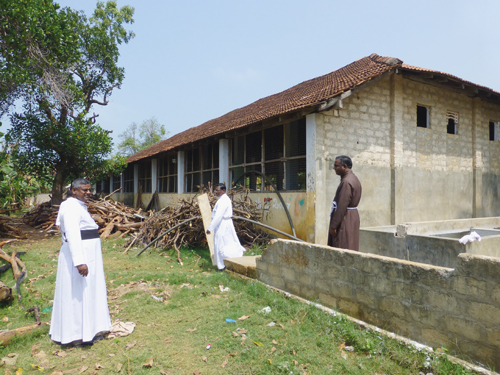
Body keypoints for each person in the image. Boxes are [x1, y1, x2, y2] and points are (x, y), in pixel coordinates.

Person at [50, 178, 111, 346]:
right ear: (74, 190)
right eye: (84, 190)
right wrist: (79, 261)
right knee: (77, 295)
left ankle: (87, 330)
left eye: (89, 189)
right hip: (80, 256)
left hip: (87, 253)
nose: (88, 193)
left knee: (85, 293)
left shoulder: (75, 206)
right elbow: (72, 233)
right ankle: (77, 335)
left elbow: (58, 226)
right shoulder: (70, 207)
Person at [206, 183, 245, 271]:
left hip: (223, 224)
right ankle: (225, 263)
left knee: (220, 244)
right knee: (226, 243)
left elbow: (218, 216)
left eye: (218, 190)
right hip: (223, 224)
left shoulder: (224, 200)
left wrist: (210, 228)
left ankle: (221, 266)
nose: (216, 192)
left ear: (223, 190)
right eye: (215, 190)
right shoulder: (221, 199)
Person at [328, 155, 362, 251]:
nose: (334, 168)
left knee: (342, 245)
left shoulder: (346, 182)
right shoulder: (354, 178)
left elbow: (342, 206)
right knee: (350, 244)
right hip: (351, 217)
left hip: (345, 219)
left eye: (336, 165)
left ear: (344, 166)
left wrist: (334, 225)